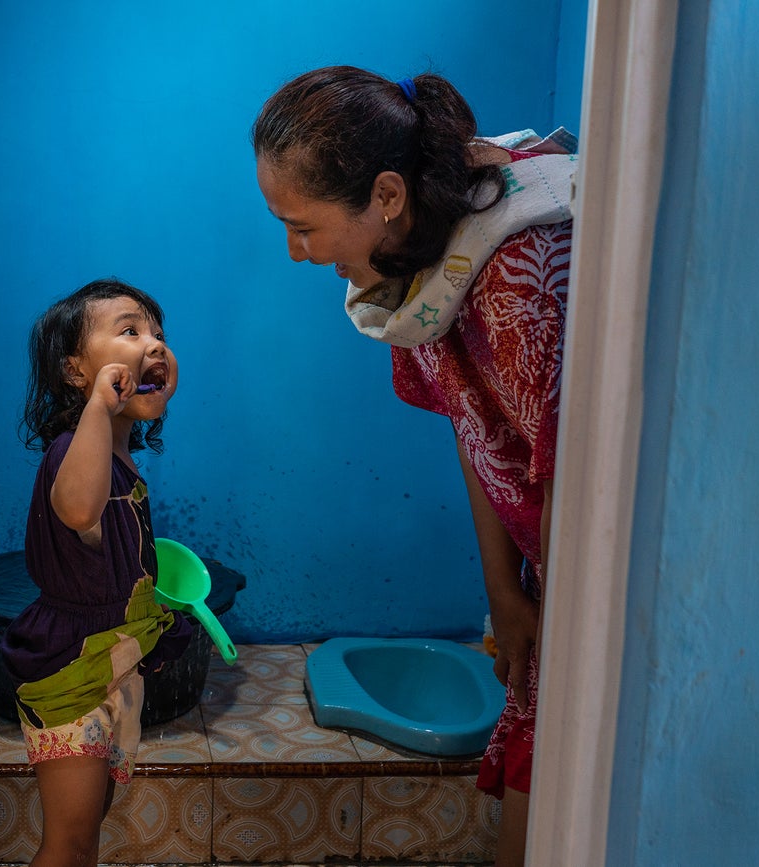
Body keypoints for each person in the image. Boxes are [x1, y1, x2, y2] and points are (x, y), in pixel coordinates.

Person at [252, 66, 576, 867]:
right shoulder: (430, 268)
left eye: (303, 227)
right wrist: (505, 593)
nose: (296, 254)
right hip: (546, 575)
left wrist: (559, 607)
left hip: (600, 589)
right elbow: (477, 430)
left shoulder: (514, 286)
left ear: (387, 197)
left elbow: (579, 477)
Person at [0, 278, 193, 867]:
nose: (154, 344)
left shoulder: (118, 453)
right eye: (130, 331)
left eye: (159, 334)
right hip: (68, 675)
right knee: (69, 840)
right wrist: (97, 412)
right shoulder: (74, 450)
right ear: (77, 373)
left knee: (90, 826)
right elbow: (80, 509)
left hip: (106, 664)